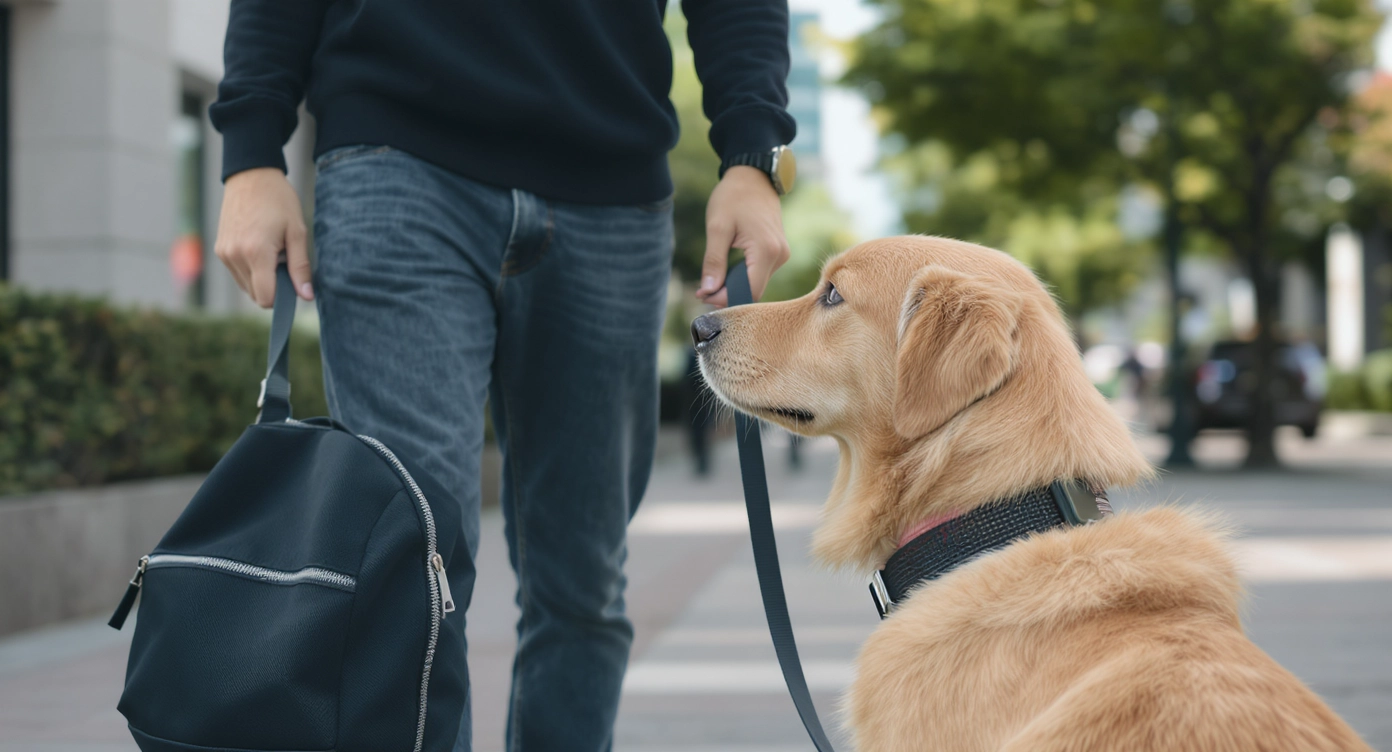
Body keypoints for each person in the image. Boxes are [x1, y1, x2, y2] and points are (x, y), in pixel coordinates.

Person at [208, 1, 796, 750]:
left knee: (583, 588)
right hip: (394, 156)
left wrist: (754, 156)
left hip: (610, 181)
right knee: (406, 566)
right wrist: (252, 150)